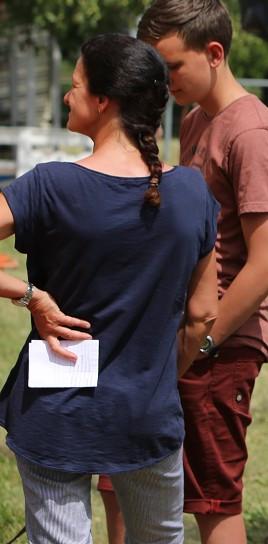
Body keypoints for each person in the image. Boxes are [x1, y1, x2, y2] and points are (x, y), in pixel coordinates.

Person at [0, 34, 219, 544]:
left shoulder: (49, 185)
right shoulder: (190, 193)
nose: (66, 96)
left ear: (103, 101)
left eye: (74, 86)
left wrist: (29, 296)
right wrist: (156, 376)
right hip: (148, 414)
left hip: (54, 413)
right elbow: (204, 314)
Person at [99, 0, 268, 544]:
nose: (163, 79)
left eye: (172, 65)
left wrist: (200, 342)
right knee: (120, 481)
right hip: (175, 335)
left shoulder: (250, 130)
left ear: (214, 54)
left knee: (211, 499)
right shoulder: (195, 120)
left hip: (219, 346)